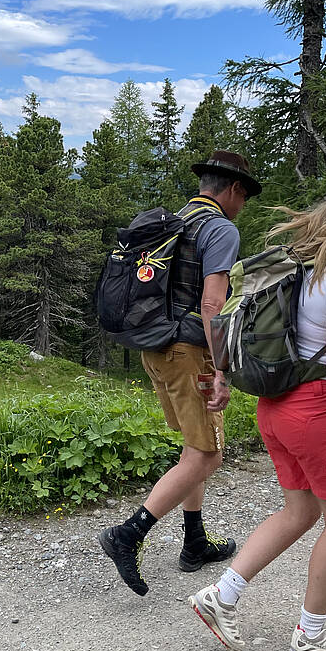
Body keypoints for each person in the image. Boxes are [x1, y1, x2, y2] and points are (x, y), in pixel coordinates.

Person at [188, 179, 326, 651]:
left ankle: (223, 594)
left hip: (274, 407)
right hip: (317, 407)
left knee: (300, 512)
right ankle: (312, 634)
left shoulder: (291, 266)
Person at [99, 151, 262, 596]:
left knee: (195, 447)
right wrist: (223, 369)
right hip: (190, 352)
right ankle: (127, 534)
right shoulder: (220, 229)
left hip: (155, 348)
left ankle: (194, 543)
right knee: (208, 456)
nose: (241, 205)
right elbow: (213, 305)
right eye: (243, 197)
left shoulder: (174, 222)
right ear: (232, 190)